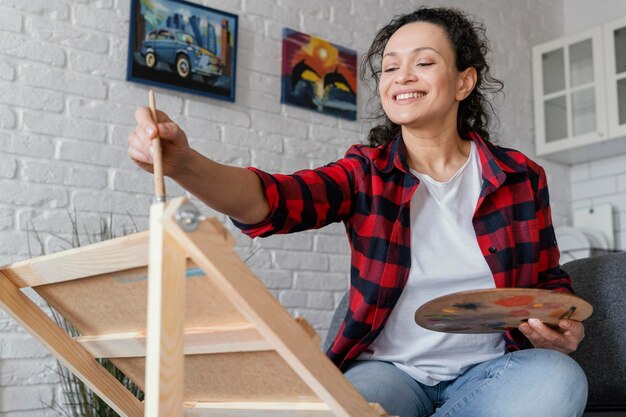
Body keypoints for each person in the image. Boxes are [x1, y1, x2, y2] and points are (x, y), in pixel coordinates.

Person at [128, 6, 587, 417]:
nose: (402, 77)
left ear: (464, 81)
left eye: (423, 63)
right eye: (390, 68)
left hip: (492, 371)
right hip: (389, 372)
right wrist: (185, 162)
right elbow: (273, 199)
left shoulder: (520, 175)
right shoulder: (366, 173)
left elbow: (548, 283)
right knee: (351, 406)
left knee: (560, 378)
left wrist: (561, 329)